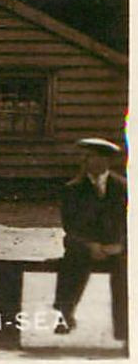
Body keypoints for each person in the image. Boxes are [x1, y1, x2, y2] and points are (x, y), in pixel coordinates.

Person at [53, 136, 127, 338]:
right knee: (73, 261)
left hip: (116, 248)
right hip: (84, 245)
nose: (85, 162)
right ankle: (65, 314)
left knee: (126, 271)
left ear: (105, 161)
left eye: (91, 157)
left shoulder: (124, 188)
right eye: (84, 158)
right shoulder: (73, 189)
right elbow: (71, 226)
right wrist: (91, 245)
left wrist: (120, 245)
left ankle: (124, 326)